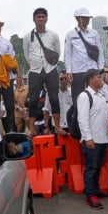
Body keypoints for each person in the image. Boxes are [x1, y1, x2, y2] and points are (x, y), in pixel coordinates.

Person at [23, 8, 65, 136]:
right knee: (33, 100)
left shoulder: (53, 35)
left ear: (46, 19)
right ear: (34, 19)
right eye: (38, 17)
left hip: (50, 69)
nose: (41, 19)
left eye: (43, 17)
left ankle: (57, 126)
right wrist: (34, 65)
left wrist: (48, 65)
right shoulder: (27, 36)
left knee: (54, 99)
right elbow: (26, 54)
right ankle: (31, 129)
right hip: (35, 70)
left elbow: (57, 52)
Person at [77, 69, 108, 209]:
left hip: (102, 138)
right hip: (92, 140)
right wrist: (88, 138)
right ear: (91, 79)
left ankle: (95, 190)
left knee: (97, 166)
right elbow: (82, 119)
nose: (101, 78)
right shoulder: (85, 96)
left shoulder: (101, 95)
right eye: (98, 76)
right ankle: (90, 195)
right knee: (91, 168)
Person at [64, 8, 104, 101]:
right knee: (78, 97)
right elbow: (67, 54)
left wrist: (101, 69)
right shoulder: (70, 34)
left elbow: (100, 51)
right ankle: (78, 115)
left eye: (88, 18)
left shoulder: (94, 33)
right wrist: (69, 71)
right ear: (78, 19)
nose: (87, 20)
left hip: (93, 69)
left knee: (95, 96)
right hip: (78, 71)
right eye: (84, 18)